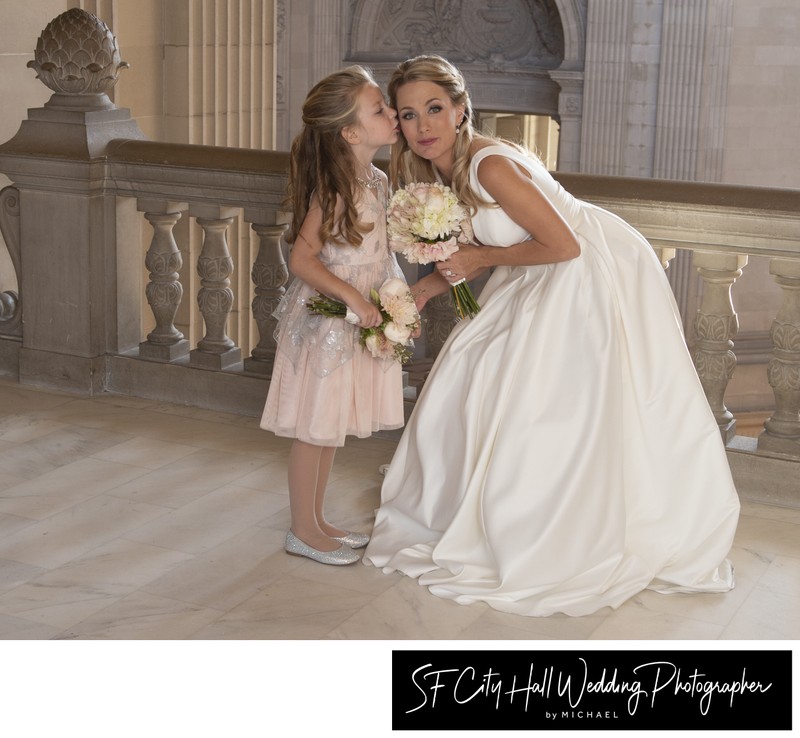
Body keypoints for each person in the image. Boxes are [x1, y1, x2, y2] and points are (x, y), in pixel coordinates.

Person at [363, 55, 741, 616]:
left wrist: (478, 256)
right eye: (411, 114)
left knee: (545, 399)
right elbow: (487, 254)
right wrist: (425, 293)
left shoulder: (488, 166)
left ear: (462, 109)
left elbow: (563, 246)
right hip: (535, 270)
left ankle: (547, 524)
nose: (425, 127)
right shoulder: (442, 171)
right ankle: (470, 504)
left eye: (436, 110)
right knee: (475, 373)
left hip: (583, 272)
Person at [260, 66, 405, 566]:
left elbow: (379, 253)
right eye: (379, 110)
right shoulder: (335, 188)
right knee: (314, 427)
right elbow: (302, 260)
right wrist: (355, 300)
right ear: (350, 132)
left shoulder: (378, 179)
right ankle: (302, 529)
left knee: (332, 425)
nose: (392, 115)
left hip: (360, 314)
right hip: (327, 320)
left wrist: (391, 299)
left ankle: (318, 521)